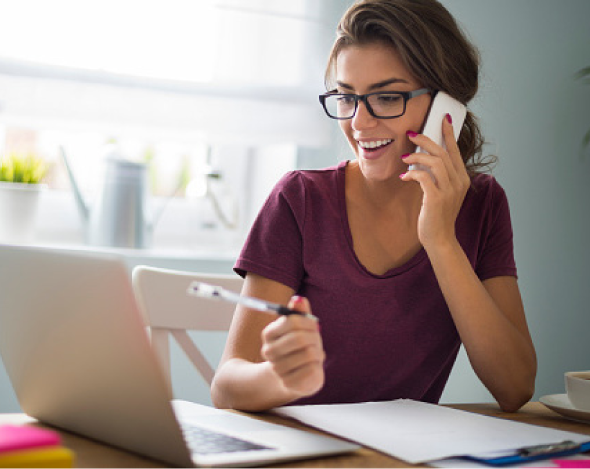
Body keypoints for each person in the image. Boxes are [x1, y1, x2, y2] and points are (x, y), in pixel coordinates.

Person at [211, 0, 537, 413]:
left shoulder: (482, 205)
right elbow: (226, 386)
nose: (359, 124)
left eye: (386, 98)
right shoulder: (300, 199)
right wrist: (279, 377)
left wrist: (440, 240)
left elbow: (515, 386)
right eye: (346, 98)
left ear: (446, 108)